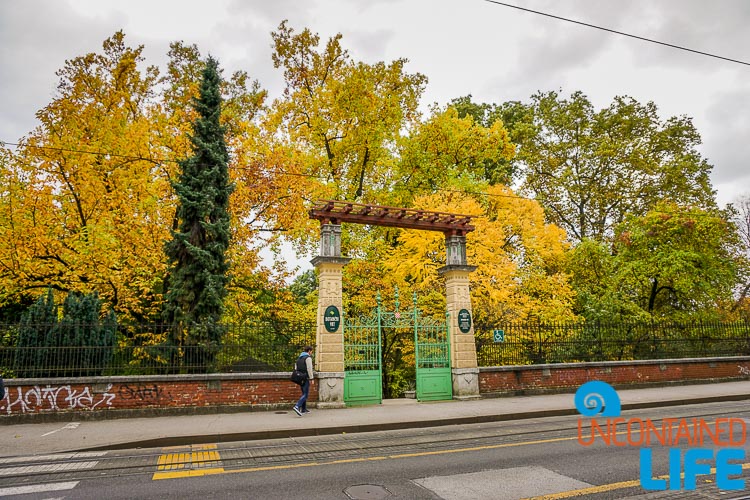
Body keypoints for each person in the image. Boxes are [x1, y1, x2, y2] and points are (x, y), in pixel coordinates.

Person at [292, 346, 314, 416]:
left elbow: (296, 368)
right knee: (306, 394)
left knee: (303, 393)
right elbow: (309, 368)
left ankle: (304, 409)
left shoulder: (299, 358)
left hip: (300, 377)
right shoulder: (308, 358)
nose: (311, 353)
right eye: (311, 351)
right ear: (309, 351)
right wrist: (311, 378)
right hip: (305, 377)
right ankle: (297, 406)